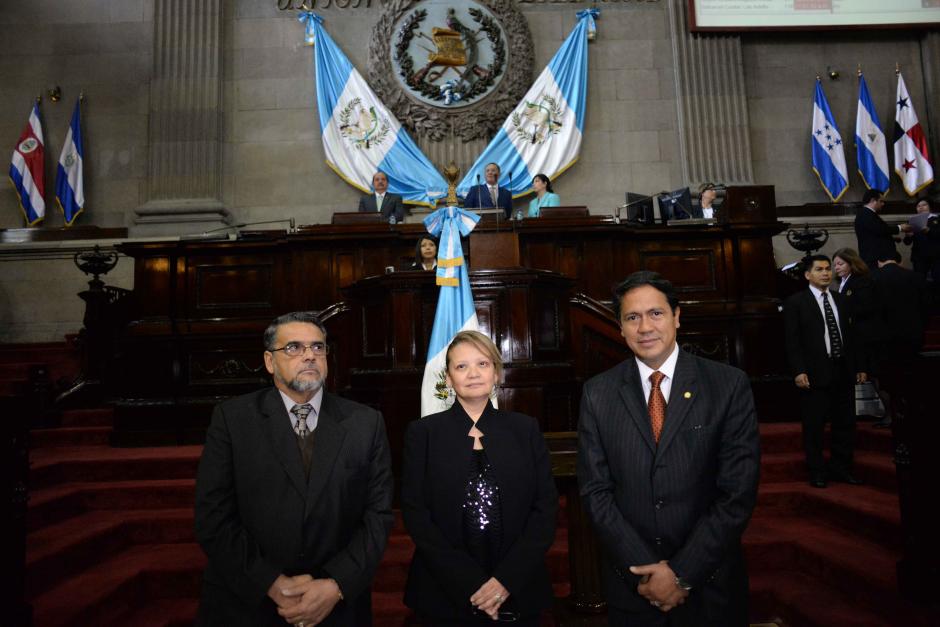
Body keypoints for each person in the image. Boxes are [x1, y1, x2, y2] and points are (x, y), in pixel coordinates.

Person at [577, 271, 760, 627]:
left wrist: (681, 572)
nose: (645, 327)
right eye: (632, 317)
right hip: (634, 587)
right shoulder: (598, 393)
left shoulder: (728, 385)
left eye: (656, 313)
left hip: (710, 585)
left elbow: (737, 493)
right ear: (620, 327)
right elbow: (595, 493)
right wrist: (648, 574)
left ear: (676, 316)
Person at [194, 312, 394, 627]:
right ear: (269, 361)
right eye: (294, 348)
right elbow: (213, 515)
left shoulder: (366, 423)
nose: (309, 355)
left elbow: (378, 516)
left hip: (337, 607)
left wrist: (335, 584)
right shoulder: (233, 420)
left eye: (318, 347)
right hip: (249, 605)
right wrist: (271, 583)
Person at [402, 330, 558, 626]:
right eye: (461, 366)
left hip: (518, 585)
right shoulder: (422, 433)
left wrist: (505, 580)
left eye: (483, 364)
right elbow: (415, 513)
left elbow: (545, 508)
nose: (473, 373)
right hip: (443, 588)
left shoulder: (525, 429)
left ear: (497, 373)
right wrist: (470, 582)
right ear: (448, 378)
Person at [784, 255, 868, 488]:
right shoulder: (796, 302)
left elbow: (853, 337)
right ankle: (817, 471)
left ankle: (842, 468)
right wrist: (798, 371)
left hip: (843, 369)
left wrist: (860, 366)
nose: (825, 273)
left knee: (845, 423)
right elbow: (792, 341)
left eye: (828, 269)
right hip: (814, 372)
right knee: (814, 425)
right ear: (808, 275)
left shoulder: (841, 300)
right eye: (819, 269)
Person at [871, 251, 928, 428]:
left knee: (889, 380)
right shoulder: (916, 277)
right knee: (912, 378)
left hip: (885, 339)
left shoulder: (873, 278)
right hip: (913, 337)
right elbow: (927, 307)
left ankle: (893, 415)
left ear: (879, 261)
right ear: (899, 260)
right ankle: (916, 415)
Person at [832, 247, 878, 368]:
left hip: (862, 333)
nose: (836, 268)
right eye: (835, 265)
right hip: (850, 333)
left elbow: (866, 306)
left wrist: (841, 311)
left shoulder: (862, 281)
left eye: (840, 264)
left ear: (851, 263)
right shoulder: (842, 281)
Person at [854, 188, 912, 269]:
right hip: (874, 259)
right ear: (873, 200)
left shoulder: (868, 214)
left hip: (876, 258)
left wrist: (891, 238)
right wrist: (900, 228)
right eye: (881, 201)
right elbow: (880, 229)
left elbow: (874, 234)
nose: (883, 204)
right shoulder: (865, 214)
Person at [903, 198, 940, 280]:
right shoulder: (913, 221)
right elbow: (907, 242)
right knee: (919, 281)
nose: (921, 207)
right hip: (919, 257)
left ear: (930, 207)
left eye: (924, 205)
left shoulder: (937, 219)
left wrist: (928, 231)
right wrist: (908, 236)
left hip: (936, 257)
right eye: (918, 206)